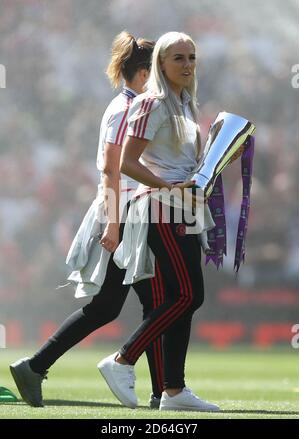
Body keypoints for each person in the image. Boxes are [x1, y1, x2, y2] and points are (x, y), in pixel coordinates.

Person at [9, 31, 164, 409]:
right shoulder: (127, 109)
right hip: (125, 216)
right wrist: (113, 224)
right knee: (157, 303)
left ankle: (35, 365)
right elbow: (111, 171)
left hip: (129, 214)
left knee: (115, 306)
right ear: (144, 74)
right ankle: (165, 392)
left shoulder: (128, 106)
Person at [98, 31, 220, 412]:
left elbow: (185, 164)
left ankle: (174, 391)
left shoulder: (186, 102)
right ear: (160, 64)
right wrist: (170, 185)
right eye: (178, 58)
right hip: (159, 209)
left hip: (183, 207)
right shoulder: (152, 102)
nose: (187, 65)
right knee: (188, 296)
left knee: (180, 300)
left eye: (191, 58)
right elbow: (126, 163)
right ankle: (122, 360)